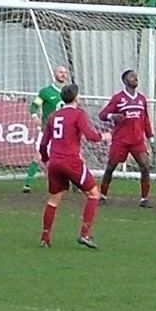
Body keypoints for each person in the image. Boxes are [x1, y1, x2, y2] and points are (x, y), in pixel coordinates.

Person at [38, 83, 111, 249]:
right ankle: (84, 234)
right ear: (76, 97)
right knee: (93, 195)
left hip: (55, 162)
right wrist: (104, 136)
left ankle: (45, 238)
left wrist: (45, 160)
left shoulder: (54, 116)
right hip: (71, 161)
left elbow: (43, 144)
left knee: (53, 200)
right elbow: (91, 136)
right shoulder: (78, 115)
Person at [98, 70, 156, 208]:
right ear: (125, 81)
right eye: (132, 77)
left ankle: (144, 199)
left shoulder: (142, 99)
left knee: (145, 166)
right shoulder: (118, 98)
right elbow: (102, 115)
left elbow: (146, 120)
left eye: (136, 76)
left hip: (137, 140)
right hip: (121, 140)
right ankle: (102, 196)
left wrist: (151, 139)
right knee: (111, 167)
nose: (135, 79)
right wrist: (113, 116)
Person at [23, 65, 68, 193]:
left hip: (65, 132)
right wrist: (34, 115)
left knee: (75, 157)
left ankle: (77, 184)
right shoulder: (45, 92)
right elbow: (34, 106)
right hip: (47, 131)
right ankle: (27, 184)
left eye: (65, 72)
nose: (63, 74)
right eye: (60, 72)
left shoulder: (70, 92)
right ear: (55, 74)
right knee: (38, 156)